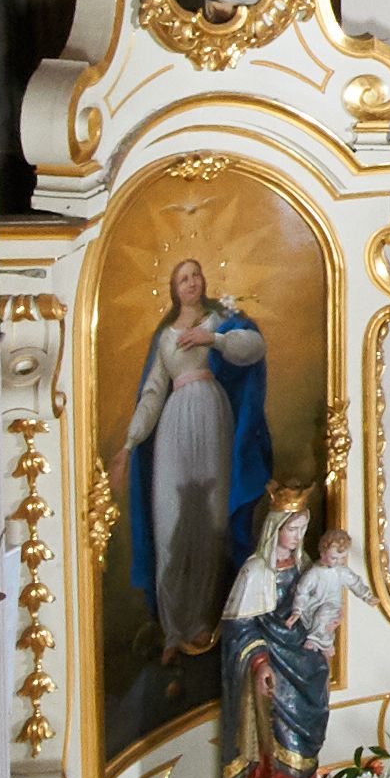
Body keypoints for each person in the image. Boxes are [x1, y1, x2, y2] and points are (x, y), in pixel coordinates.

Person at [123, 257, 271, 659]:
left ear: (203, 280)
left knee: (210, 522)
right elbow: (153, 392)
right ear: (174, 289)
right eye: (182, 278)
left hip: (212, 416)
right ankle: (174, 630)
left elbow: (253, 348)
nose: (190, 282)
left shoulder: (219, 320)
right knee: (170, 520)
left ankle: (205, 620)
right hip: (174, 423)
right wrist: (129, 444)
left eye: (195, 275)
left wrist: (214, 340)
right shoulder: (165, 336)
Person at [219, 499, 351, 778]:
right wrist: (260, 662)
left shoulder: (306, 566)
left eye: (301, 529)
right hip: (275, 674)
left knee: (305, 756)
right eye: (291, 529)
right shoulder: (255, 572)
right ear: (274, 528)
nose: (296, 536)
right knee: (276, 759)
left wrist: (325, 626)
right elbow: (239, 627)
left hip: (307, 669)